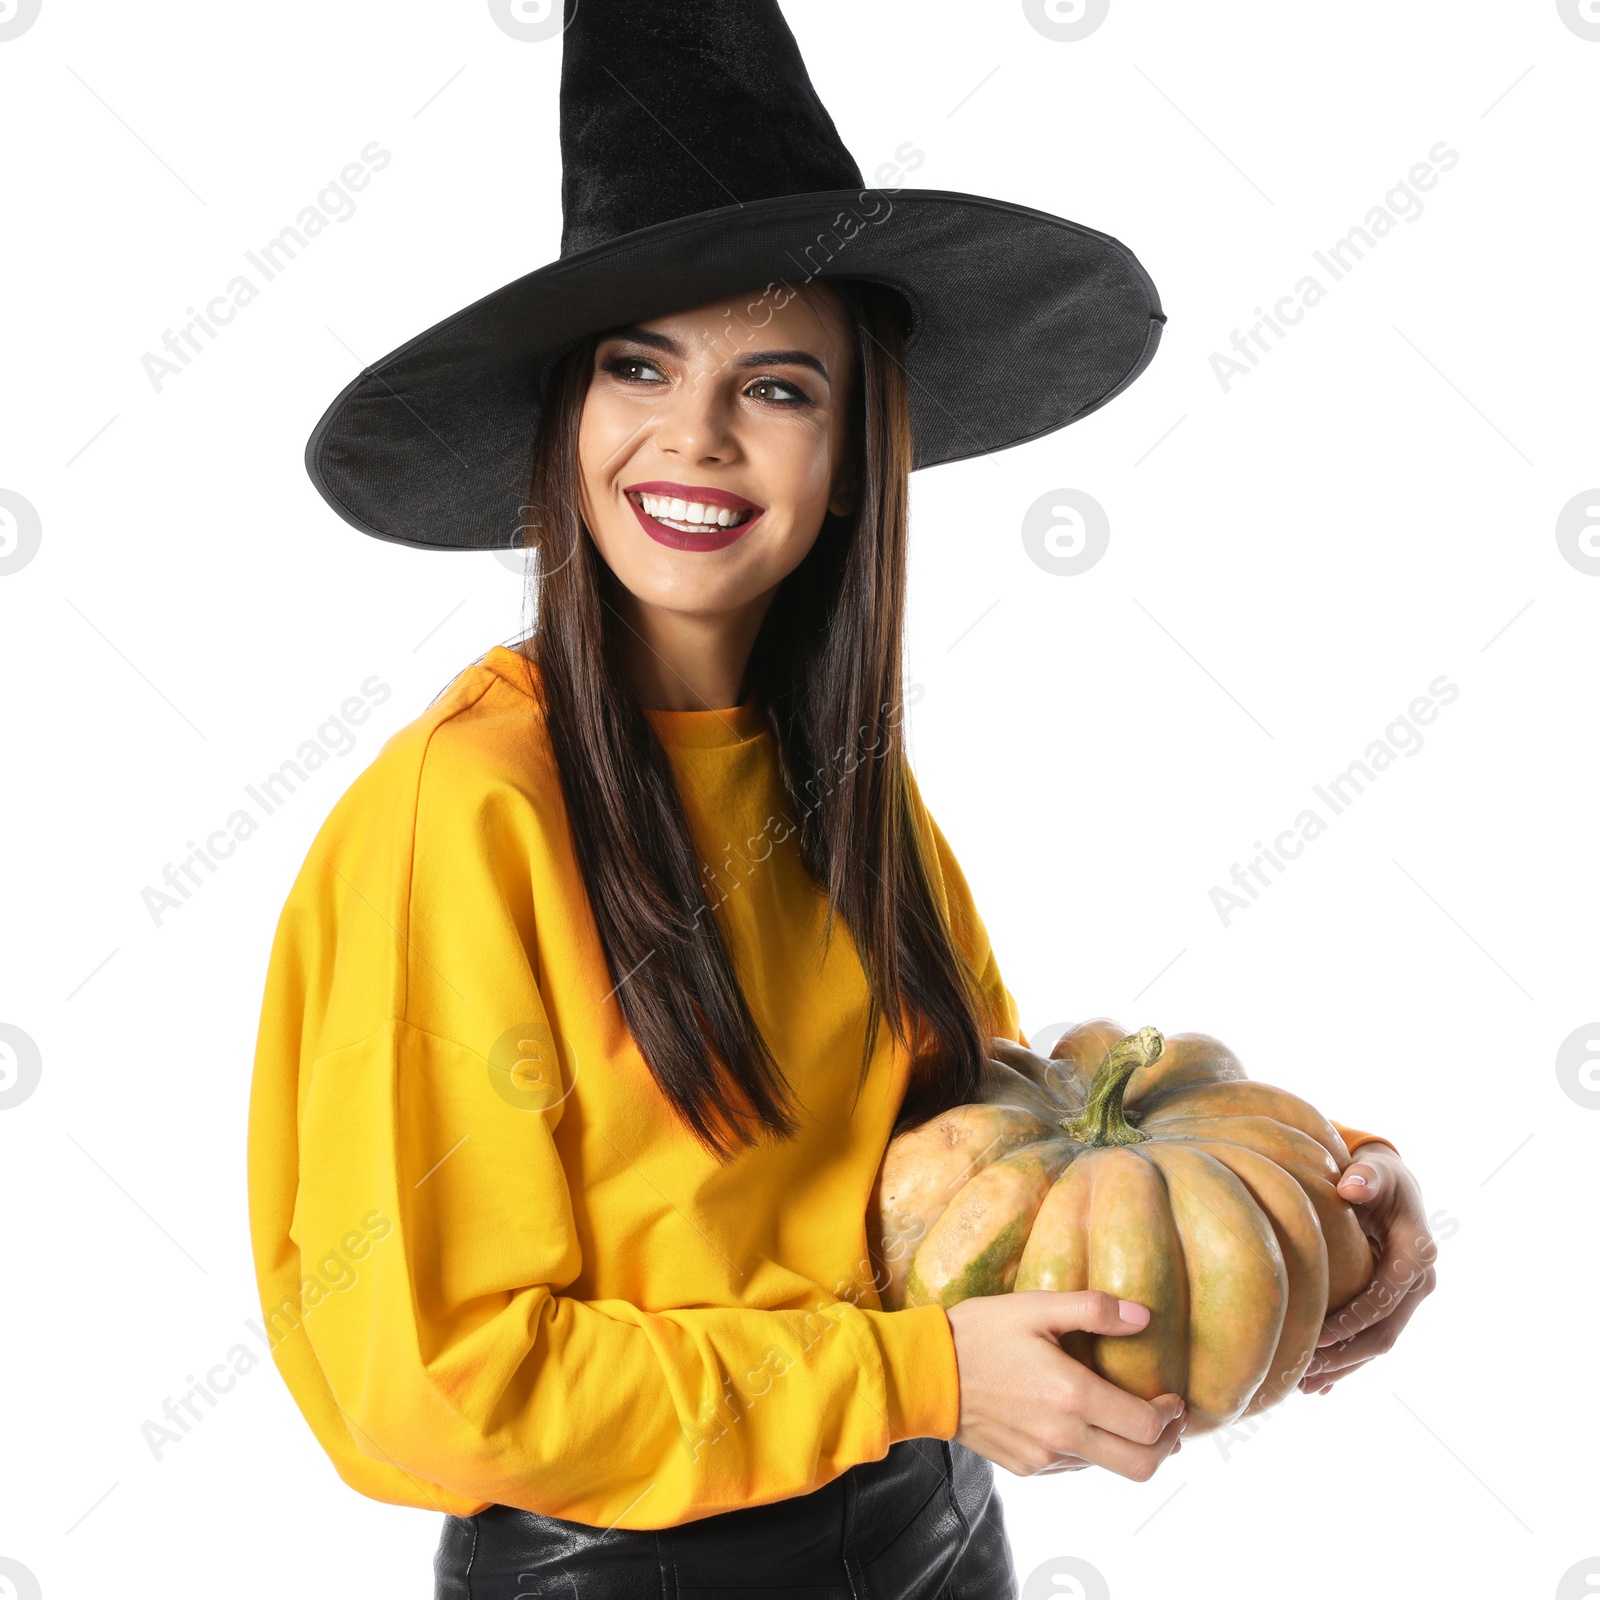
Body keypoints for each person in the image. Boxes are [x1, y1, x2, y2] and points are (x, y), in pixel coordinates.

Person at [246, 5, 1435, 1596]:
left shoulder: (838, 785)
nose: (696, 436)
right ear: (570, 418)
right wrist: (921, 1381)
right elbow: (439, 1378)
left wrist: (1320, 1196)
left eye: (779, 385)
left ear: (858, 446)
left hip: (938, 1539)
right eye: (638, 364)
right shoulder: (462, 818)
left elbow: (968, 1152)